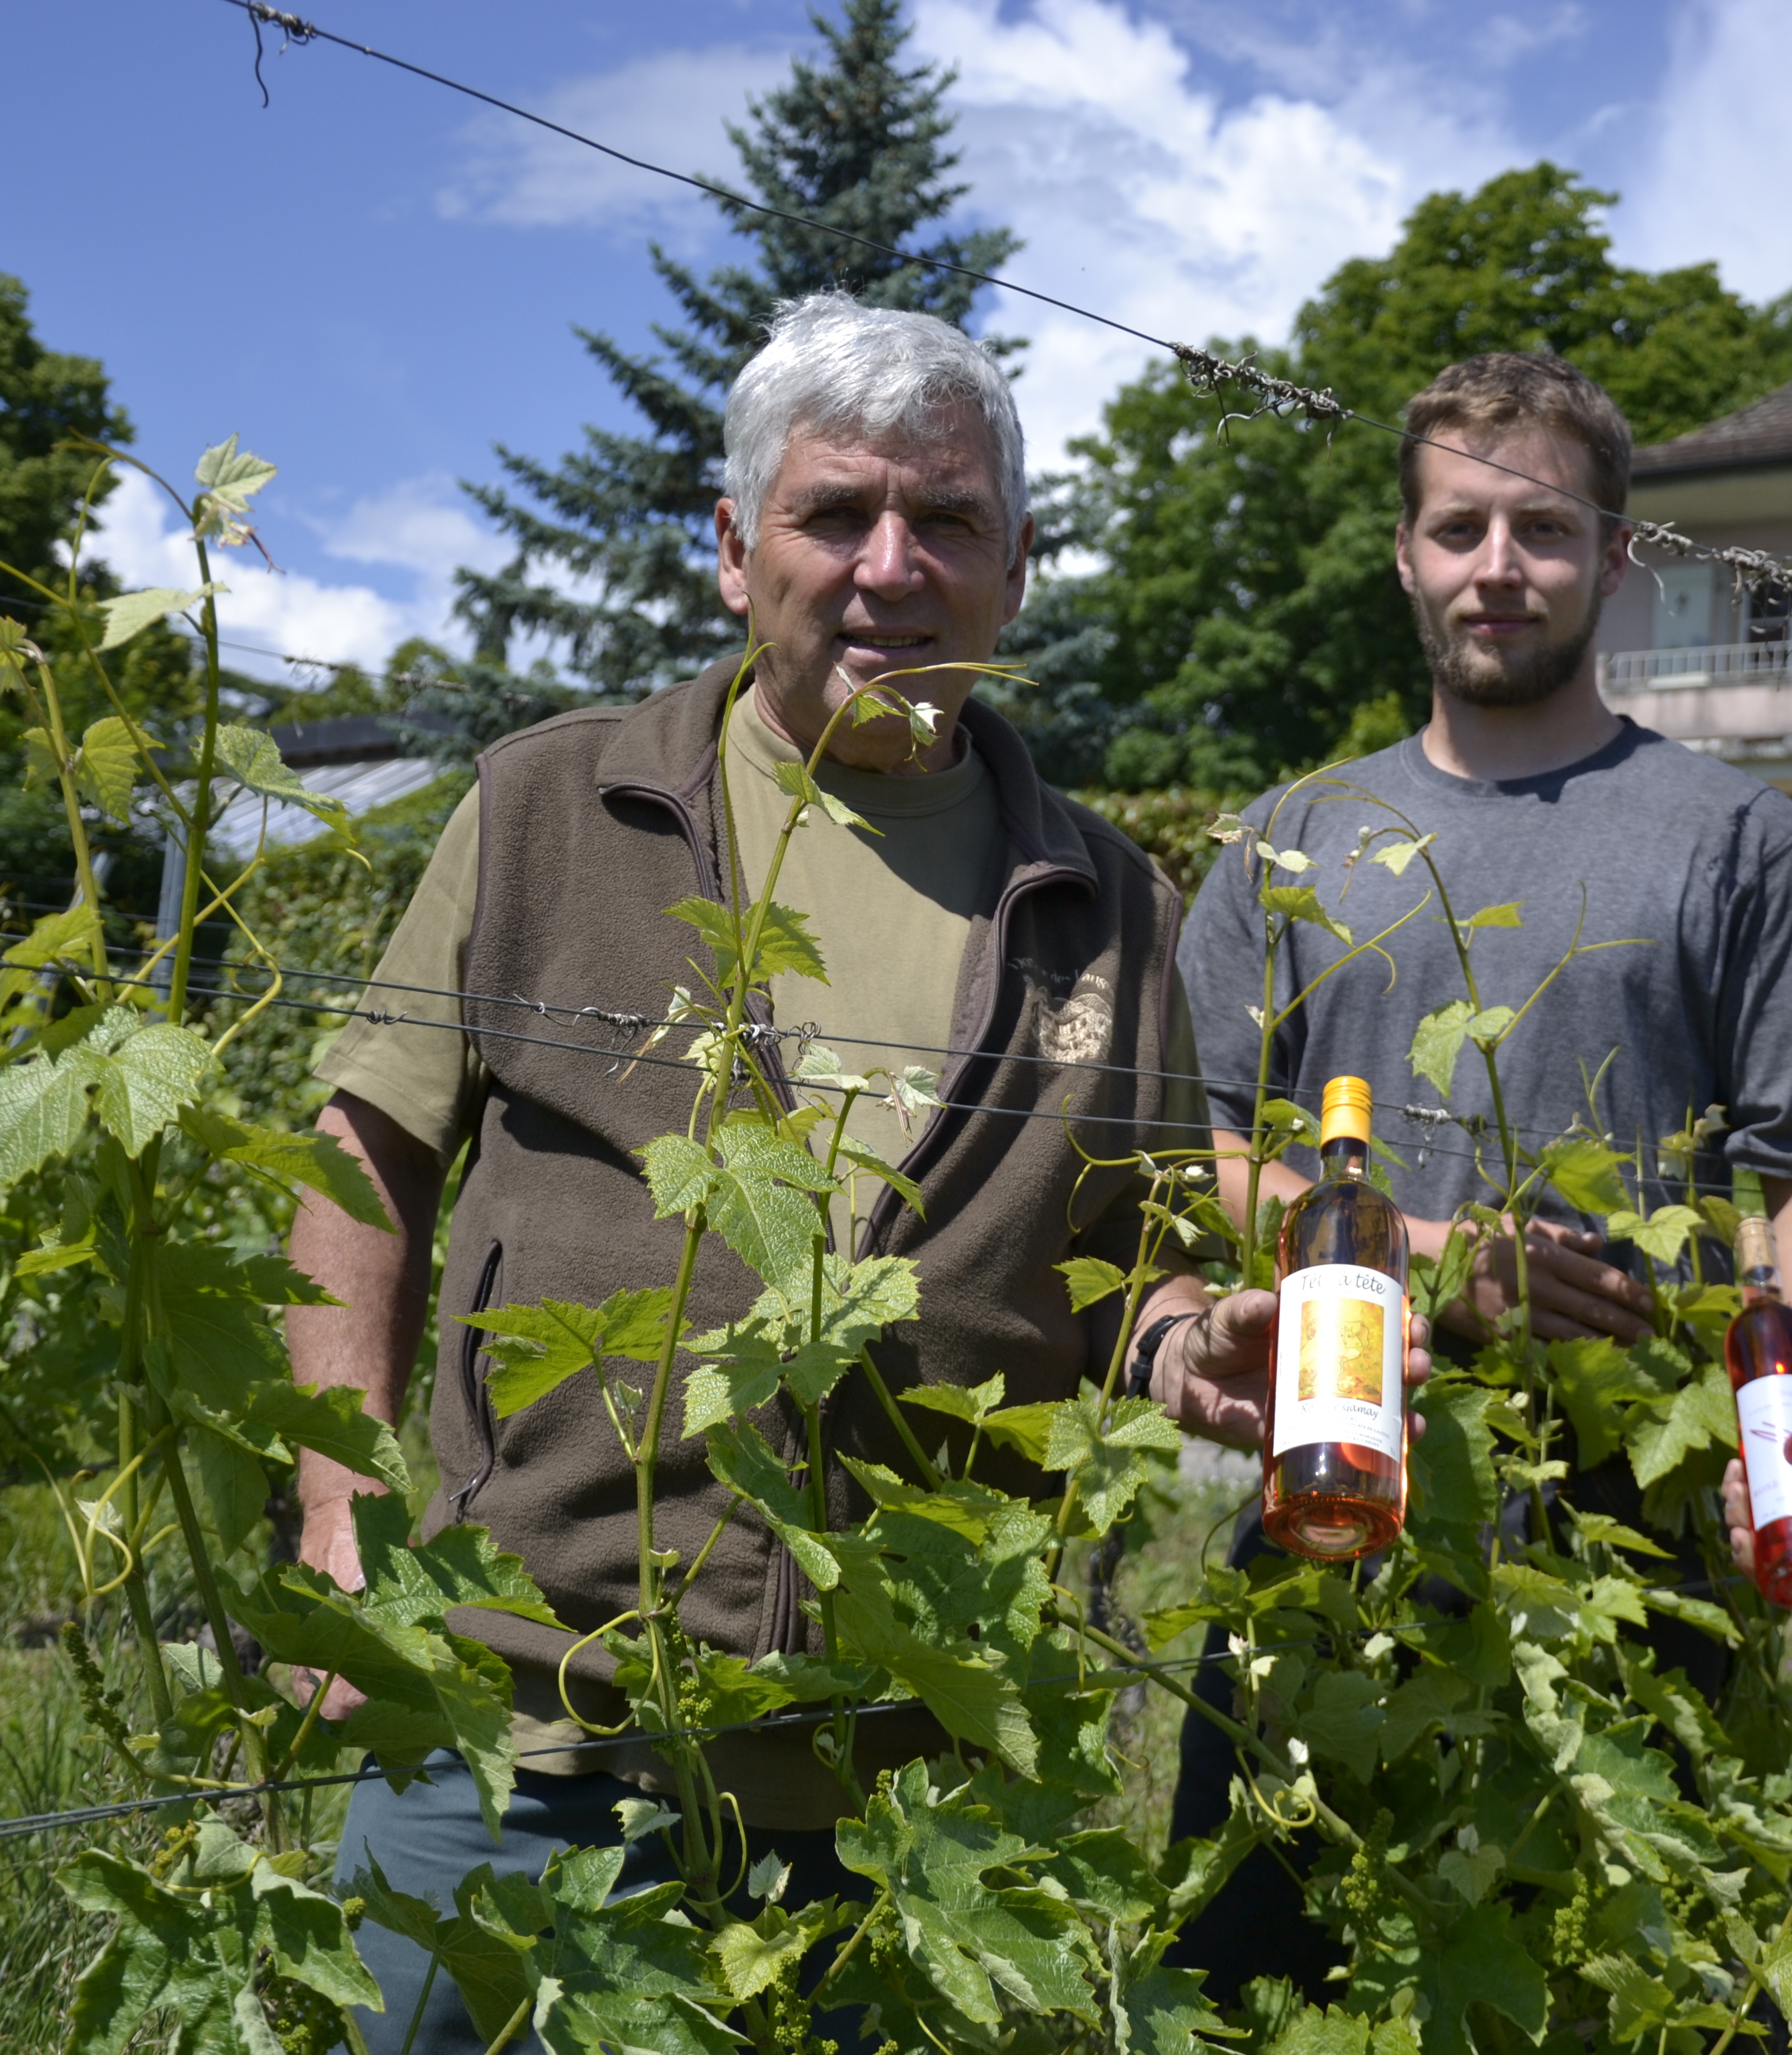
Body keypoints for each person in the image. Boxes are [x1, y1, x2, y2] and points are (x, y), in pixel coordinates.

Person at [280, 293, 1393, 2052]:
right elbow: (366, 1159)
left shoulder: (1108, 902)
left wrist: (1189, 1352)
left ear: (1016, 567)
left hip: (902, 1792)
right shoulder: (551, 810)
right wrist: (333, 1540)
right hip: (518, 1726)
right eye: (834, 515)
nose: (892, 566)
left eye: (947, 520)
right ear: (734, 553)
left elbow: (1125, 1263)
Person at [1165, 350, 1792, 1998]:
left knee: (1656, 1997)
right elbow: (1201, 1156)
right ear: (1405, 554)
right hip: (1338, 1511)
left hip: (1646, 1550)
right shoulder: (1289, 840)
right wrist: (1417, 1253)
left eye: (1546, 530)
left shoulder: (1728, 837)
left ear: (1617, 554)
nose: (1501, 567)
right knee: (1268, 1993)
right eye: (1461, 527)